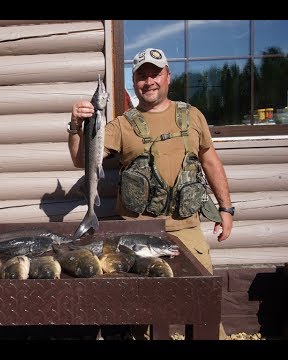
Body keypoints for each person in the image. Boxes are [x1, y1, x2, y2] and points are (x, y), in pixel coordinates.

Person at [67, 48, 233, 340]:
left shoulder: (192, 116)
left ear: (168, 76)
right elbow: (83, 160)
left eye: (155, 73)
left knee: (204, 304)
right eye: (142, 76)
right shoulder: (121, 125)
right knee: (140, 310)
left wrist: (226, 209)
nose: (149, 81)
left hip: (187, 228)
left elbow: (210, 161)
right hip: (138, 230)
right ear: (135, 82)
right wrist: (76, 126)